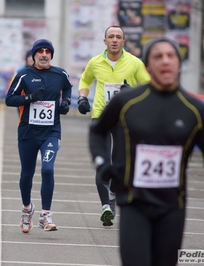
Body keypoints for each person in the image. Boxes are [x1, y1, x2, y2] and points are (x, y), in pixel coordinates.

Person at [89, 37, 204, 266]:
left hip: (172, 207)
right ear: (148, 66)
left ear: (178, 64)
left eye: (171, 56)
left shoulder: (195, 111)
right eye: (158, 56)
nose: (165, 61)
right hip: (134, 203)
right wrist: (101, 162)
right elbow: (97, 132)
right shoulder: (126, 102)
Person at [77, 25, 150, 227]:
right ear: (105, 41)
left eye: (118, 37)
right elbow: (85, 79)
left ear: (124, 42)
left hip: (125, 121)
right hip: (101, 118)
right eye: (111, 37)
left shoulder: (135, 64)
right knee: (102, 162)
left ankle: (112, 193)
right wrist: (82, 98)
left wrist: (132, 94)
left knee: (121, 164)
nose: (115, 40)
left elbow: (149, 87)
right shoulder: (95, 62)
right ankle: (105, 207)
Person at [5, 39, 72, 233]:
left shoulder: (60, 74)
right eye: (40, 51)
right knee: (27, 173)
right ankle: (27, 209)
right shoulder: (24, 75)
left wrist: (65, 102)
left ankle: (45, 215)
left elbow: (67, 88)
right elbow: (9, 99)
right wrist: (29, 98)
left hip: (51, 131)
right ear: (34, 55)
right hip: (28, 131)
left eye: (47, 51)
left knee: (48, 170)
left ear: (51, 55)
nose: (44, 54)